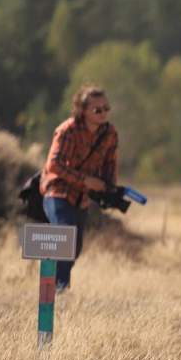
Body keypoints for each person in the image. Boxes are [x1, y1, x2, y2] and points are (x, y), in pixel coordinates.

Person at [40, 85, 119, 291]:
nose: (103, 113)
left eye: (106, 108)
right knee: (65, 238)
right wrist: (85, 180)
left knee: (74, 249)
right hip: (57, 193)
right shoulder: (67, 130)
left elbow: (110, 164)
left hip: (81, 198)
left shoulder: (109, 133)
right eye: (97, 110)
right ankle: (60, 290)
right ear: (82, 110)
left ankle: (52, 284)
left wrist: (111, 188)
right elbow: (53, 165)